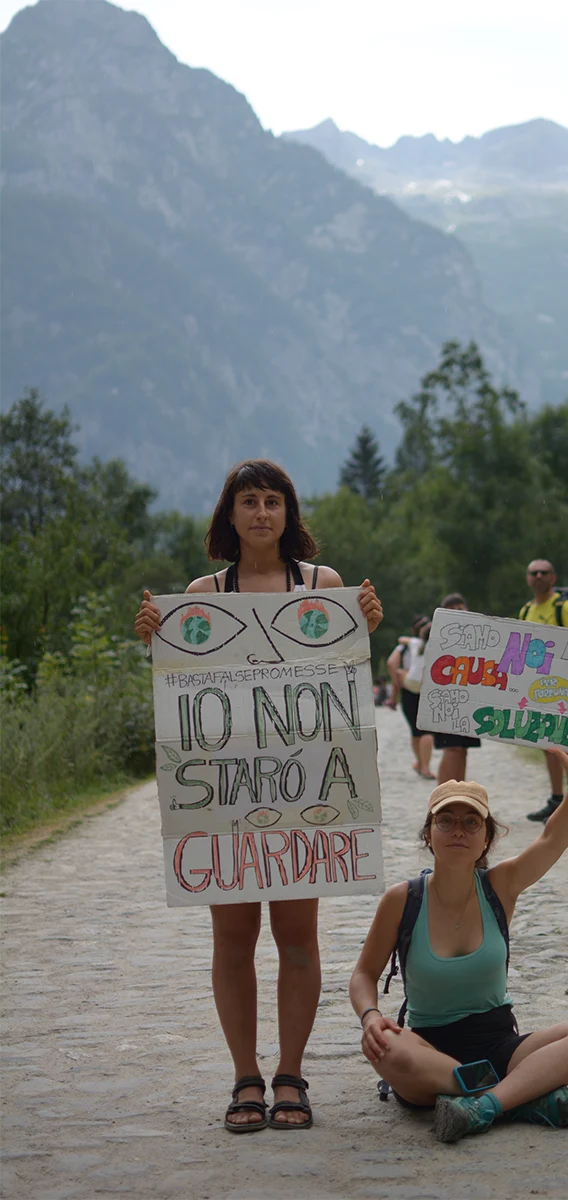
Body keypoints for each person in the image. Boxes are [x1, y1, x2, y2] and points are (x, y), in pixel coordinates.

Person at [134, 460, 383, 1134]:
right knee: (233, 937)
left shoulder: (323, 586)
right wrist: (156, 635)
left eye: (272, 501)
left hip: (305, 794)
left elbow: (342, 671)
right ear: (230, 514)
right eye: (249, 501)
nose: (261, 513)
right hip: (226, 797)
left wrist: (366, 621)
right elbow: (185, 687)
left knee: (297, 937)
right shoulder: (203, 592)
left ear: (289, 513)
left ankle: (291, 1074)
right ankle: (245, 1074)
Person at [349, 722, 568, 1144]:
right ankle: (522, 1096)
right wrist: (371, 1017)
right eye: (446, 820)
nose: (458, 830)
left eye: (472, 823)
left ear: (487, 838)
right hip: (429, 1053)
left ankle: (484, 1104)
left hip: (502, 1047)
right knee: (391, 1052)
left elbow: (550, 840)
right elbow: (363, 975)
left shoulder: (499, 886)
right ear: (428, 834)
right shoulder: (402, 899)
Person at [518, 560, 568, 823]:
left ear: (553, 577)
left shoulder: (564, 608)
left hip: (566, 688)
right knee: (548, 745)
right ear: (527, 579)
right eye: (533, 572)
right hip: (538, 688)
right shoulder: (525, 610)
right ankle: (557, 800)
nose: (538, 576)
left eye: (544, 572)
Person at [434, 593, 481, 785]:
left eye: (460, 608)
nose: (457, 612)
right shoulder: (439, 633)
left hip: (468, 699)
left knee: (462, 750)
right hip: (446, 698)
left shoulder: (476, 635)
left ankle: (457, 792)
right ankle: (443, 797)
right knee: (452, 748)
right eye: (451, 608)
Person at [388, 616, 436, 780]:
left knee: (416, 731)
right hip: (427, 687)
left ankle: (419, 762)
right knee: (427, 730)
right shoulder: (437, 646)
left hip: (409, 686)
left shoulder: (413, 644)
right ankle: (425, 766)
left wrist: (396, 684)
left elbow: (391, 663)